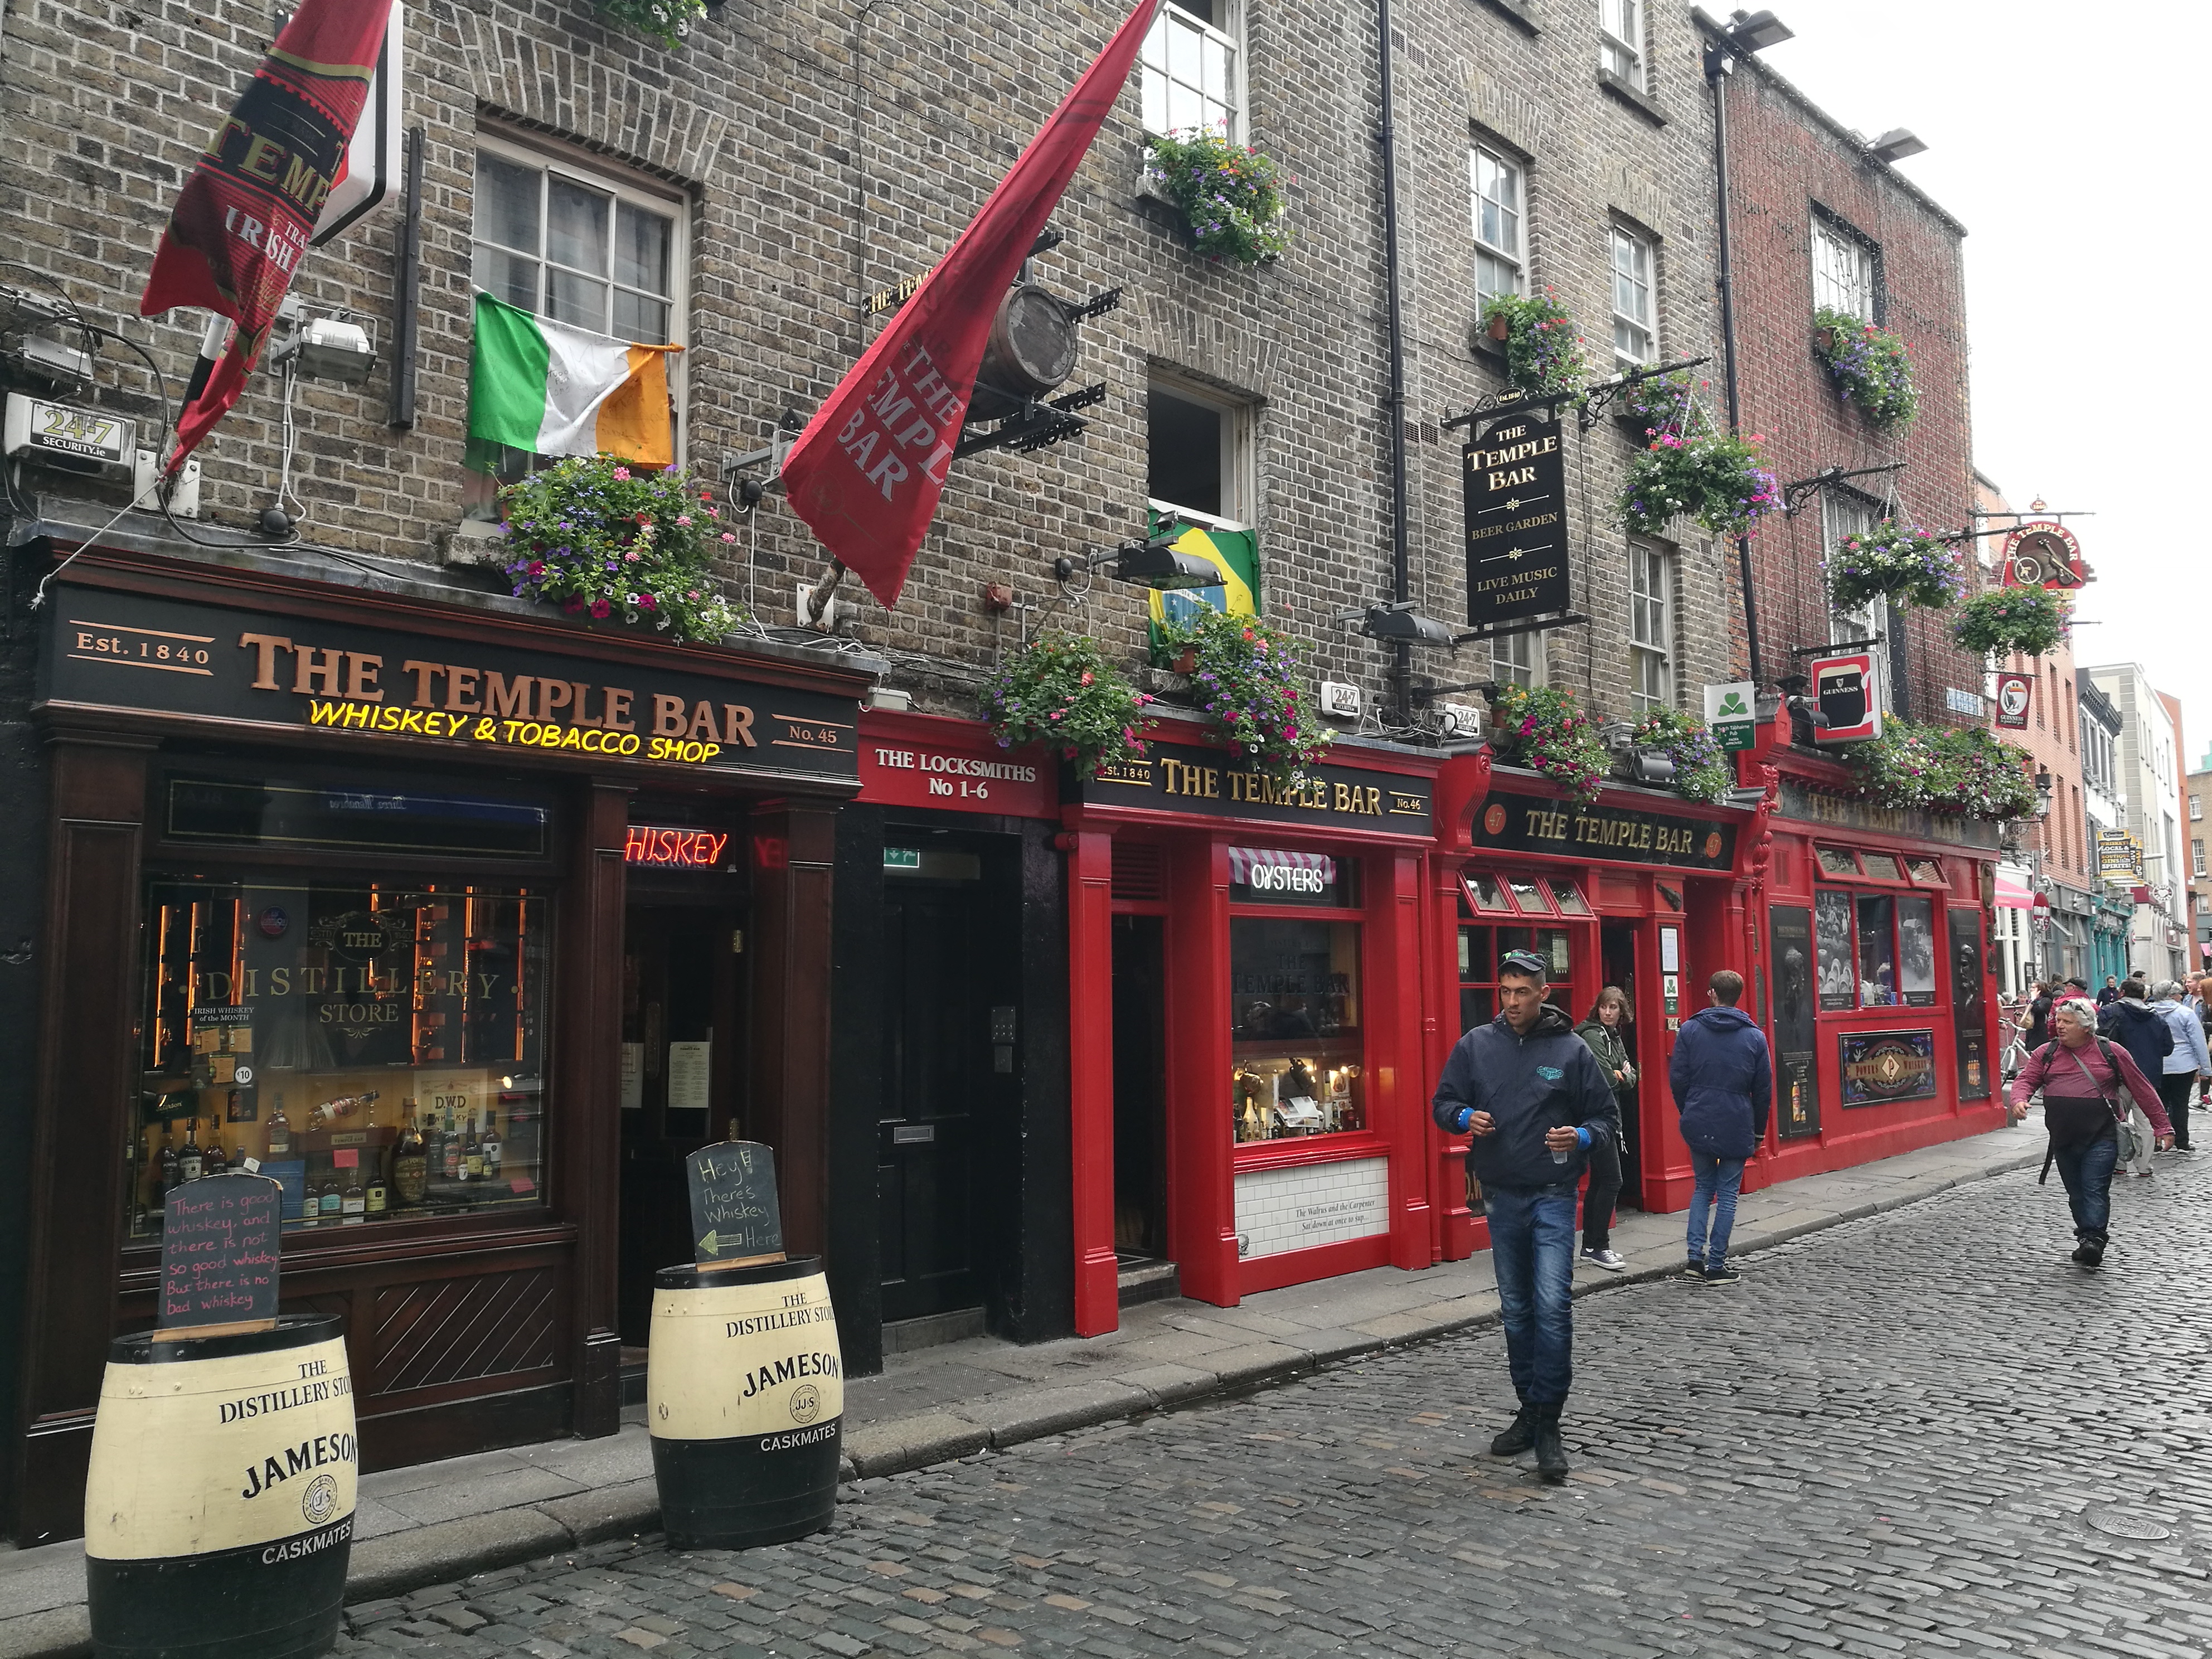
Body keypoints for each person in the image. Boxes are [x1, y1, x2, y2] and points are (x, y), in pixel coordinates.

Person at [1432, 949, 1617, 1483]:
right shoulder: (1475, 1045)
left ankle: (1549, 1424)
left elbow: (1605, 1118)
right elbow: (1443, 1104)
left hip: (1554, 1196)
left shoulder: (1571, 1049)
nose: (1512, 1002)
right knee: (1516, 1310)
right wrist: (1464, 1117)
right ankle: (1530, 1412)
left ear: (1543, 994)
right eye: (1506, 992)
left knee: (1552, 1306)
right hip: (1501, 1197)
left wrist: (1581, 1136)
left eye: (1522, 993)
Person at [2009, 997, 2172, 1266]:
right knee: (2076, 1193)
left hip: (2102, 1136)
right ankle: (2087, 1237)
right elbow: (2026, 1079)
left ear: (2087, 1027)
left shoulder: (2112, 1051)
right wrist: (2018, 1099)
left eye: (2068, 1022)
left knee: (2094, 1187)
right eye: (2058, 1020)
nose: (2060, 1026)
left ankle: (2094, 1238)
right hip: (2063, 1137)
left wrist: (2162, 1126)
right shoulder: (2046, 1053)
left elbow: (2142, 1088)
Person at [1667, 970, 1772, 1288]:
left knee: (1702, 1188)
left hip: (1699, 1116)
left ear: (1712, 993)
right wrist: (1759, 1132)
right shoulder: (1755, 1037)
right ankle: (1716, 1265)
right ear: (1738, 996)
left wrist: (1689, 1109)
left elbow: (1678, 1078)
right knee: (1727, 1194)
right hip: (1737, 1119)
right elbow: (1763, 1090)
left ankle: (1694, 1261)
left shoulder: (1690, 1029)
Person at [1573, 987, 1635, 1272]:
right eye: (1604, 1007)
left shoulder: (1614, 1037)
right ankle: (1599, 1246)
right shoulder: (1594, 1036)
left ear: (1622, 1012)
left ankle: (1591, 1246)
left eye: (1613, 1008)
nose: (1608, 1013)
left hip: (1608, 1116)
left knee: (1600, 1181)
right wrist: (1621, 1075)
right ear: (1597, 1009)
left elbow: (1633, 1075)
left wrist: (1625, 1076)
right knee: (1612, 1180)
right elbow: (1607, 1079)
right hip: (1596, 1118)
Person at [2150, 981, 2209, 1151]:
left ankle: (2157, 1140)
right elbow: (2198, 1041)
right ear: (2172, 996)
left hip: (2157, 1064)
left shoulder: (2148, 1013)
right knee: (2180, 1104)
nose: (2181, 997)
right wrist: (2206, 1068)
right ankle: (2181, 1140)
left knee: (2158, 1103)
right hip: (2183, 1064)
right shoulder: (2185, 1013)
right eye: (2178, 994)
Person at [2098, 978, 2174, 1089]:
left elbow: (2100, 1040)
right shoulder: (2157, 1018)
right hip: (2149, 1076)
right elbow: (2168, 1049)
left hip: (2118, 1075)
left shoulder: (2109, 1012)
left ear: (2122, 993)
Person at [2019, 979, 2053, 1054]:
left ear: (2040, 990)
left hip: (2041, 1034)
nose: (2031, 989)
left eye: (2034, 988)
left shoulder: (2046, 1000)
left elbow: (2039, 1010)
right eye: (2031, 987)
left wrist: (2033, 1000)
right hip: (2032, 1032)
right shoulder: (2034, 1000)